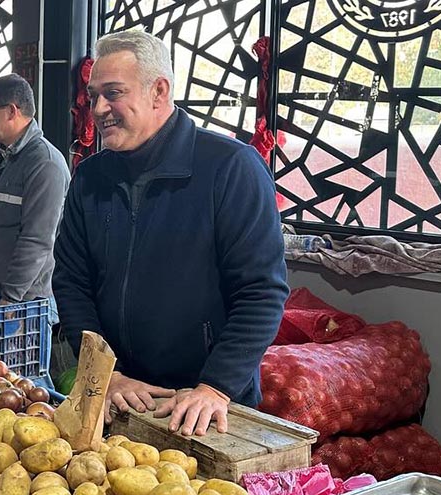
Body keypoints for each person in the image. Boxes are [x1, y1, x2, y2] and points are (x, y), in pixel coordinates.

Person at [53, 29, 288, 437]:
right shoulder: (90, 177)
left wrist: (215, 386)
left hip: (206, 407)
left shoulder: (230, 168)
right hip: (120, 397)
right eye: (93, 96)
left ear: (159, 90)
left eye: (113, 93)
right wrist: (107, 374)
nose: (99, 109)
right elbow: (72, 282)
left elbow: (261, 292)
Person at [0, 74, 70, 322]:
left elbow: (37, 240)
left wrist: (10, 299)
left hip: (24, 306)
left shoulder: (45, 164)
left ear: (11, 111)